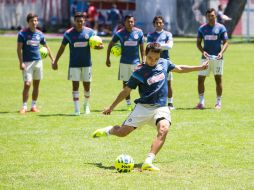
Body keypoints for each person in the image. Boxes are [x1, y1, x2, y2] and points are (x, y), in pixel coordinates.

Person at [92, 42, 209, 171]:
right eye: (150, 58)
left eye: (156, 58)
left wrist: (199, 67)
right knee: (122, 133)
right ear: (145, 54)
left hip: (161, 107)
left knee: (164, 129)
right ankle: (110, 130)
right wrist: (111, 107)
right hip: (143, 108)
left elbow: (179, 68)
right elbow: (126, 91)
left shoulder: (164, 63)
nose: (153, 61)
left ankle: (148, 161)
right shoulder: (139, 71)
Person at [53, 12, 103, 115]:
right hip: (74, 64)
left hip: (87, 64)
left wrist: (99, 47)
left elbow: (97, 45)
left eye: (81, 21)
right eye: (77, 21)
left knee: (87, 86)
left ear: (84, 21)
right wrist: (55, 61)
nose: (79, 23)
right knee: (75, 86)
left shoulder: (90, 33)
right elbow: (62, 48)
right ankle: (77, 109)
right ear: (74, 21)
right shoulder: (68, 33)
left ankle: (86, 104)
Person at [17, 13, 54, 114]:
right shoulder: (22, 34)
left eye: (36, 21)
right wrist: (21, 63)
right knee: (27, 84)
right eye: (32, 21)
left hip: (38, 62)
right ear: (28, 22)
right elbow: (19, 49)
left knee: (36, 85)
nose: (34, 23)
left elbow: (46, 47)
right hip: (27, 63)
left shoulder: (40, 34)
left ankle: (33, 106)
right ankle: (24, 106)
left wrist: (52, 59)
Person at [106, 15, 145, 111]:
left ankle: (143, 103)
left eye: (132, 21)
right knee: (126, 85)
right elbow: (110, 44)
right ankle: (128, 104)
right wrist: (108, 58)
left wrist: (143, 60)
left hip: (136, 63)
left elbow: (142, 49)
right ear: (124, 22)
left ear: (134, 22)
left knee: (141, 84)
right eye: (128, 21)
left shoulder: (139, 32)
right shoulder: (119, 33)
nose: (130, 23)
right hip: (124, 63)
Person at [196, 8, 229, 110]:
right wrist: (203, 52)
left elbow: (226, 42)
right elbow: (198, 43)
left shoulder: (221, 28)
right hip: (205, 59)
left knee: (218, 79)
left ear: (216, 16)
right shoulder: (202, 29)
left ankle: (218, 102)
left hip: (218, 59)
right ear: (206, 17)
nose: (211, 18)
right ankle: (201, 103)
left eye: (212, 16)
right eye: (209, 16)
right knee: (200, 79)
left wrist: (221, 53)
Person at [147, 16, 175, 110]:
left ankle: (170, 103)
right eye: (157, 23)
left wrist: (156, 45)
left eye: (160, 23)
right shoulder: (150, 35)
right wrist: (163, 45)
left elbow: (170, 46)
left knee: (168, 83)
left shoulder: (168, 34)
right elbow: (148, 46)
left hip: (166, 61)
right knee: (154, 82)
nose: (159, 24)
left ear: (163, 23)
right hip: (154, 62)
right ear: (154, 24)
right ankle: (155, 102)